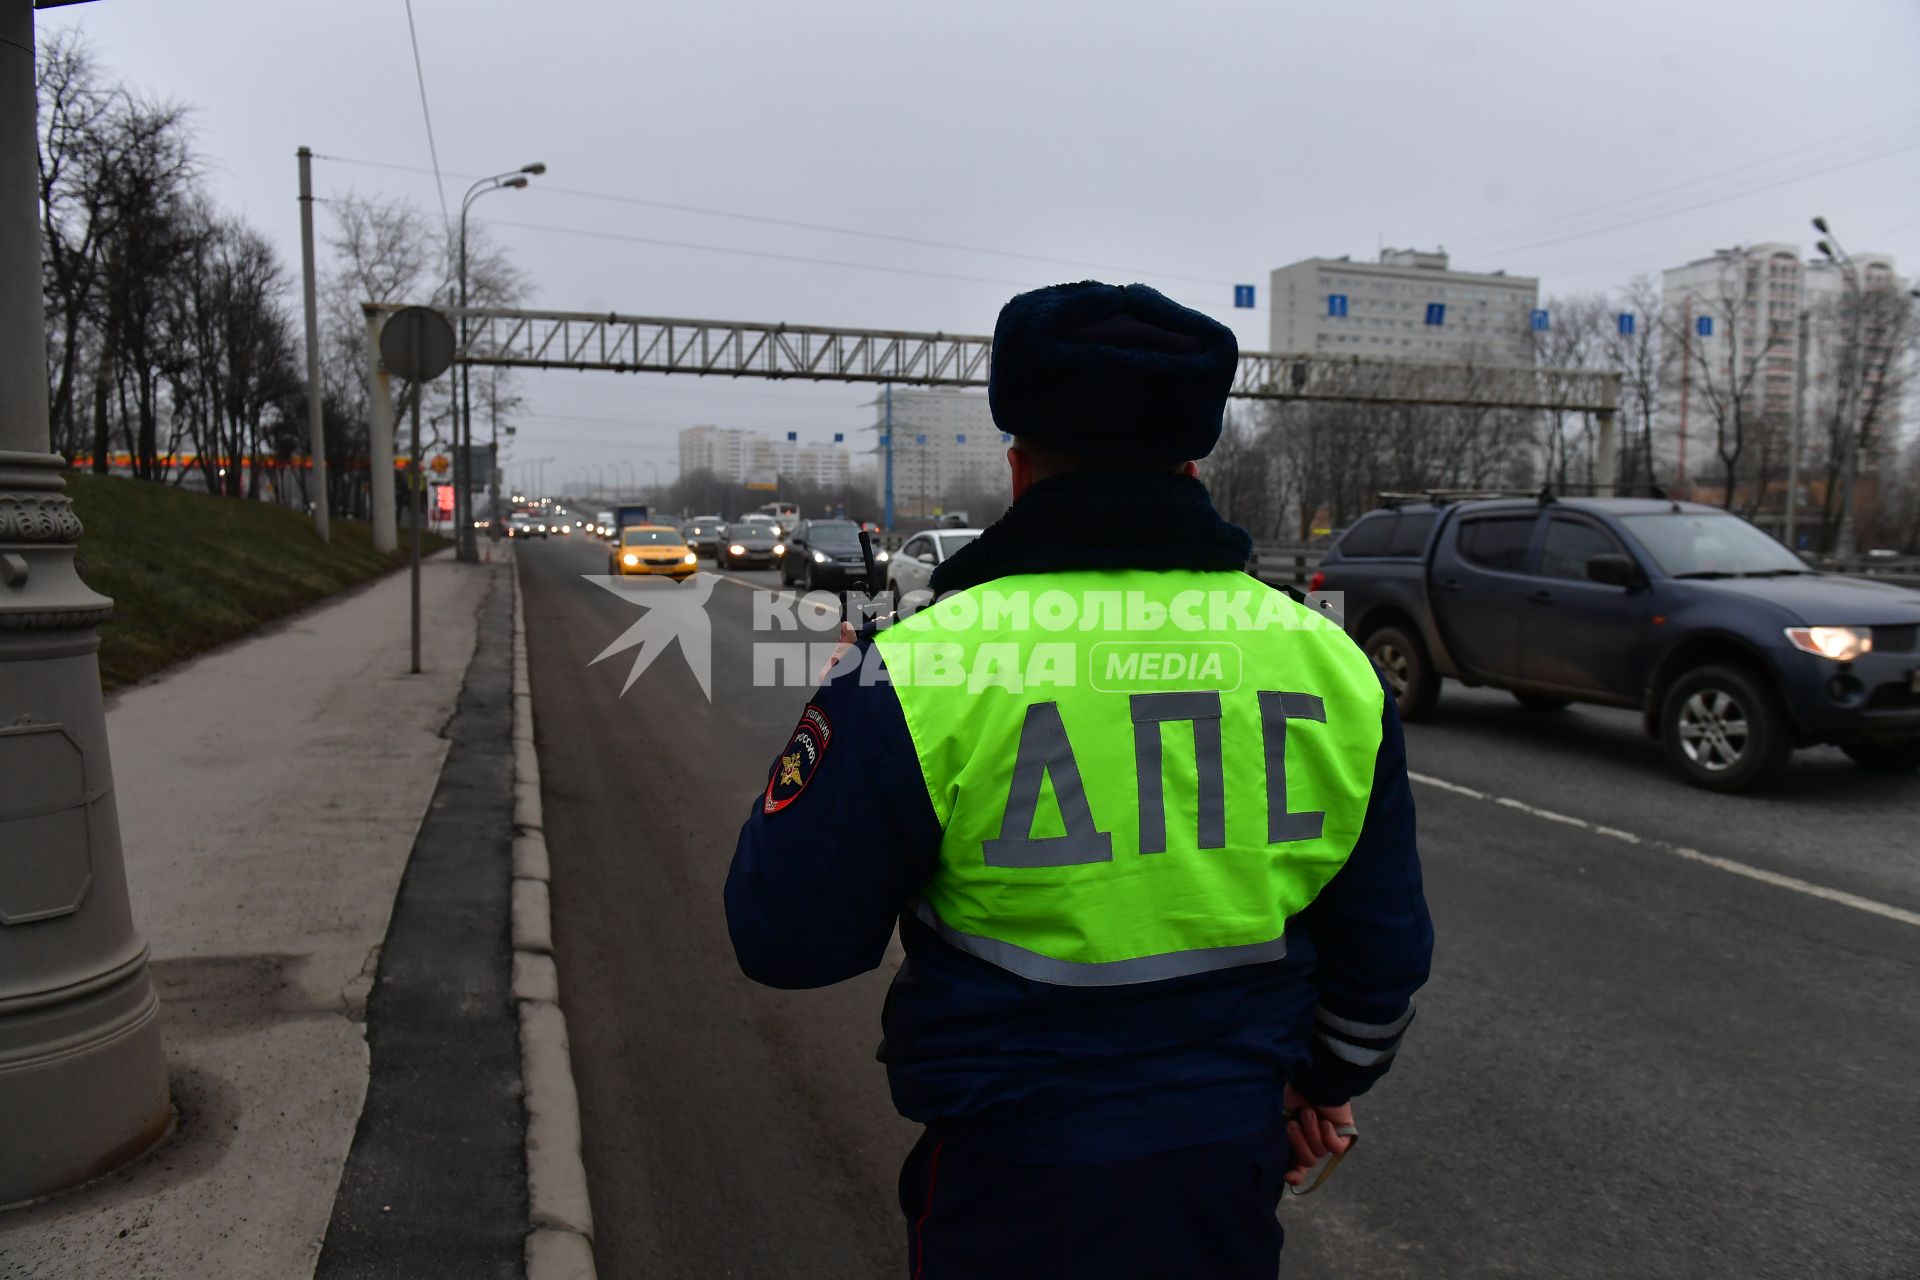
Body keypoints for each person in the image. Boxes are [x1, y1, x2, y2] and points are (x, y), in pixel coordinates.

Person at [725, 281, 1433, 1279]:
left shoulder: (918, 664)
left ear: (1018, 469)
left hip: (1009, 1183)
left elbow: (786, 937)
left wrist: (851, 703)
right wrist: (1310, 1080)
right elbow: (1383, 959)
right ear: (1194, 463)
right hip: (1226, 1173)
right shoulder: (1328, 661)